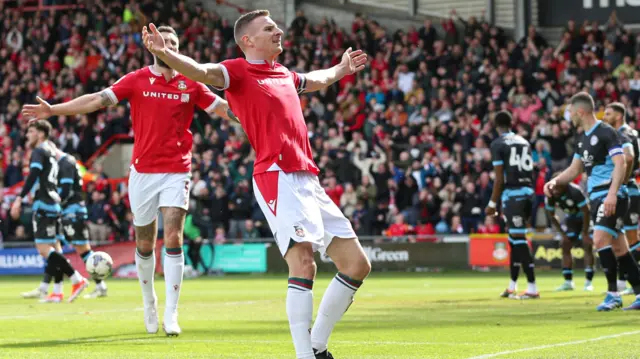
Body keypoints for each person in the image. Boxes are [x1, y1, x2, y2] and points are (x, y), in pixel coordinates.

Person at [142, 11, 371, 358]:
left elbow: (316, 79)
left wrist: (341, 69)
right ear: (247, 41)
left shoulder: (283, 73)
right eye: (268, 28)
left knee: (357, 264)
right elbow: (200, 71)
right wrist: (167, 55)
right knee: (303, 262)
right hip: (277, 176)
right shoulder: (236, 71)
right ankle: (304, 355)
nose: (278, 31)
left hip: (307, 176)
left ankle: (317, 345)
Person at [21, 25, 235, 335]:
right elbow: (97, 99)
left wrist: (260, 118)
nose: (170, 47)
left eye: (175, 43)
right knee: (145, 243)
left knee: (173, 237)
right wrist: (54, 109)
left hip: (177, 170)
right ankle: (149, 301)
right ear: (153, 47)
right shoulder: (136, 80)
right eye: (165, 43)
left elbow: (223, 109)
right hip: (143, 173)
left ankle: (171, 314)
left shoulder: (191, 82)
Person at [544, 92, 640, 311]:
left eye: (569, 111)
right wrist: (554, 181)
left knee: (598, 240)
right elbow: (575, 169)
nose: (568, 115)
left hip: (609, 195)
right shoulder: (583, 138)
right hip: (597, 196)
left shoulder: (606, 132)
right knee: (620, 248)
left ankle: (613, 294)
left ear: (580, 111)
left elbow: (621, 162)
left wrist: (613, 193)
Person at [10, 120, 89, 303]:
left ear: (40, 133)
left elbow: (33, 175)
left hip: (44, 204)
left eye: (30, 131)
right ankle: (57, 291)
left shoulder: (39, 151)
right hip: (54, 203)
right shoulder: (52, 152)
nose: (27, 135)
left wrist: (19, 198)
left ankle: (77, 279)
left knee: (44, 249)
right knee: (56, 248)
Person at [20, 143, 108, 299]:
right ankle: (49, 288)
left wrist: (53, 202)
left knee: (81, 250)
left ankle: (99, 285)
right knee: (55, 248)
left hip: (72, 212)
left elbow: (65, 190)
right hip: (67, 212)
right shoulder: (63, 162)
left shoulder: (66, 162)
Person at [485, 111, 539, 299]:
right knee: (514, 239)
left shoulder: (497, 144)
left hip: (513, 194)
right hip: (528, 192)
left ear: (495, 124)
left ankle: (532, 287)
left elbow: (500, 178)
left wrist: (492, 203)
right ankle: (512, 285)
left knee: (519, 238)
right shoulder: (524, 141)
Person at [602, 102, 640, 296]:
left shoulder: (621, 134)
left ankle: (627, 280)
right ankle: (626, 280)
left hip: (629, 187)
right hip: (633, 186)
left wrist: (621, 183)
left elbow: (630, 158)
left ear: (618, 116)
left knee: (630, 237)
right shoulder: (633, 132)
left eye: (608, 114)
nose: (604, 117)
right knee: (624, 234)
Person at [544, 181, 595, 291]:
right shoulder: (551, 193)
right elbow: (551, 216)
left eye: (558, 188)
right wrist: (562, 234)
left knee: (587, 245)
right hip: (571, 219)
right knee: (565, 244)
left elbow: (586, 211)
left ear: (564, 185)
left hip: (584, 218)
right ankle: (568, 282)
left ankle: (588, 282)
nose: (555, 191)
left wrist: (585, 232)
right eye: (554, 189)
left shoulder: (575, 191)